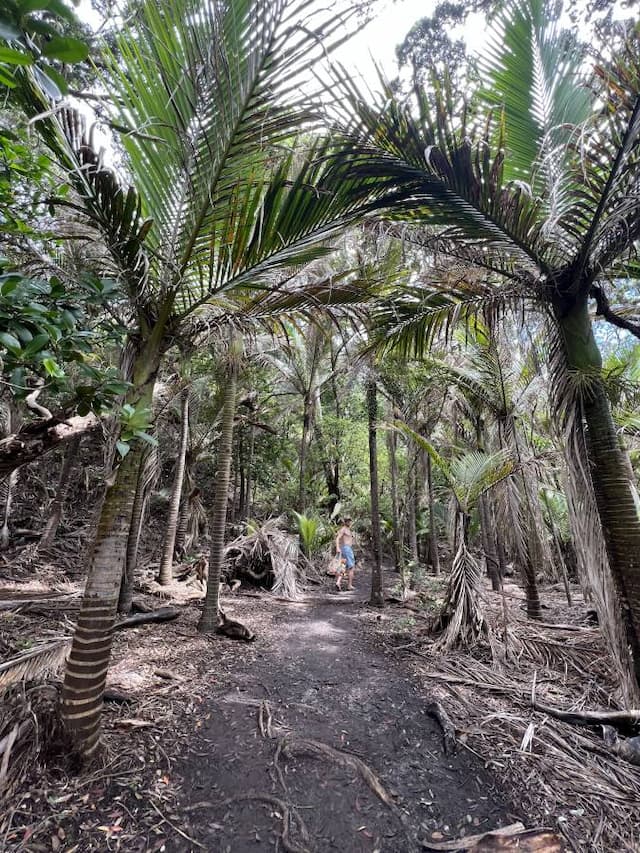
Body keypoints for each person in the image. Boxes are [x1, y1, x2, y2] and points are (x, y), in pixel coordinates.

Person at [335, 516, 356, 591]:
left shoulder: (348, 529)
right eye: (348, 521)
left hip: (347, 549)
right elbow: (337, 538)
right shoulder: (343, 529)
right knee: (351, 567)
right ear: (345, 522)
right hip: (346, 549)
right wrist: (337, 547)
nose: (349, 522)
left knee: (343, 566)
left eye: (350, 521)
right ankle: (349, 585)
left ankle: (338, 582)